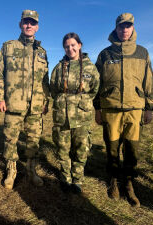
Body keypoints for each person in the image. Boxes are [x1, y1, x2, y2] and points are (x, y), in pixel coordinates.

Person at [93, 13, 153, 207]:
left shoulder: (142, 53)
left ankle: (128, 183)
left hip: (135, 109)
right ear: (116, 28)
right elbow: (97, 83)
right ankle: (113, 181)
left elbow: (148, 82)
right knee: (112, 148)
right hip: (110, 109)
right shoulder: (105, 54)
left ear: (133, 28)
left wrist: (149, 107)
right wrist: (97, 108)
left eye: (128, 26)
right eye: (121, 26)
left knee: (131, 149)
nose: (125, 30)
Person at [0, 10, 49, 190]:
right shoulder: (8, 47)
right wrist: (1, 98)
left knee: (33, 141)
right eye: (26, 22)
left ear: (37, 27)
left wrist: (45, 101)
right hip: (13, 103)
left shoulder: (42, 52)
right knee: (10, 140)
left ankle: (32, 171)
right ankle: (11, 171)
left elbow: (45, 81)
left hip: (35, 106)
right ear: (20, 24)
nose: (29, 25)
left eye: (32, 23)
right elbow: (0, 74)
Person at [50, 32, 100, 194]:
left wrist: (82, 102)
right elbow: (53, 90)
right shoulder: (58, 68)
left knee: (81, 148)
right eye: (66, 46)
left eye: (73, 45)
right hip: (62, 116)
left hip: (82, 116)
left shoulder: (90, 68)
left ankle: (77, 179)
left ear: (79, 45)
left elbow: (94, 89)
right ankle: (66, 177)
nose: (70, 49)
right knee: (62, 149)